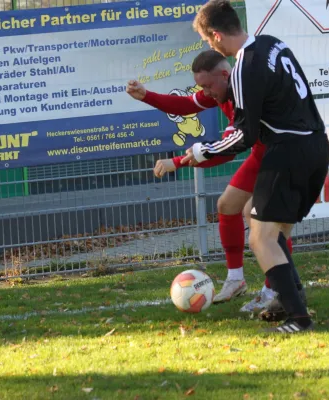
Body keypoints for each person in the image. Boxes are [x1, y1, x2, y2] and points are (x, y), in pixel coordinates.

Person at [182, 0, 329, 333]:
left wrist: (202, 151)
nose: (210, 46)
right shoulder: (272, 43)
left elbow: (244, 135)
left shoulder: (244, 67)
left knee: (261, 238)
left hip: (287, 150)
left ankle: (299, 319)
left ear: (217, 35)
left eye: (208, 41)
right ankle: (288, 298)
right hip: (316, 144)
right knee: (273, 231)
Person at [126, 50, 306, 316]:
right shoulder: (220, 89)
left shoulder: (243, 94)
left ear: (225, 75)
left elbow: (227, 150)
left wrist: (176, 162)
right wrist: (147, 96)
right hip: (261, 153)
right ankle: (236, 279)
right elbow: (186, 105)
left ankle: (275, 290)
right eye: (202, 87)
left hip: (279, 155)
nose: (205, 93)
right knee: (227, 206)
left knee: (265, 223)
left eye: (208, 86)